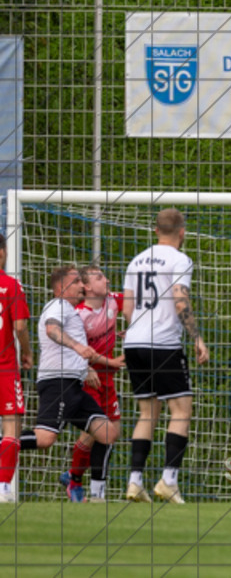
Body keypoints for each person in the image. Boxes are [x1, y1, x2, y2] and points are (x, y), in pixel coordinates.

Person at [123, 208, 209, 504]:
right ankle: (168, 480)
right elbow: (179, 298)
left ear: (156, 230)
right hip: (162, 343)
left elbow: (127, 308)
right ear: (182, 232)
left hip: (133, 342)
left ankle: (135, 482)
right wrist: (197, 338)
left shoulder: (136, 260)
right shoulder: (180, 259)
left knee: (147, 412)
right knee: (181, 409)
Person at [19, 266, 119, 501]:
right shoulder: (58, 306)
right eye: (77, 282)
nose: (82, 286)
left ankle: (97, 497)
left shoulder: (70, 310)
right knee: (44, 439)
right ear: (63, 287)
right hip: (58, 383)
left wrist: (85, 368)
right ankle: (6, 443)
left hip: (72, 384)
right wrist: (78, 347)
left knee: (106, 432)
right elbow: (52, 329)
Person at [59, 265, 126, 502]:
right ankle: (84, 486)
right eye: (99, 277)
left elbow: (137, 300)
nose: (106, 280)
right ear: (86, 287)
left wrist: (133, 327)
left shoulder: (114, 301)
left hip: (107, 377)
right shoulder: (78, 315)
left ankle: (73, 475)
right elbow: (72, 348)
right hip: (88, 377)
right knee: (101, 432)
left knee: (111, 431)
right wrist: (87, 367)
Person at [0, 234, 32, 503]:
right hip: (5, 368)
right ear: (2, 253)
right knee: (12, 427)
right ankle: (3, 488)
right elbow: (20, 326)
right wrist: (28, 353)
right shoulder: (11, 285)